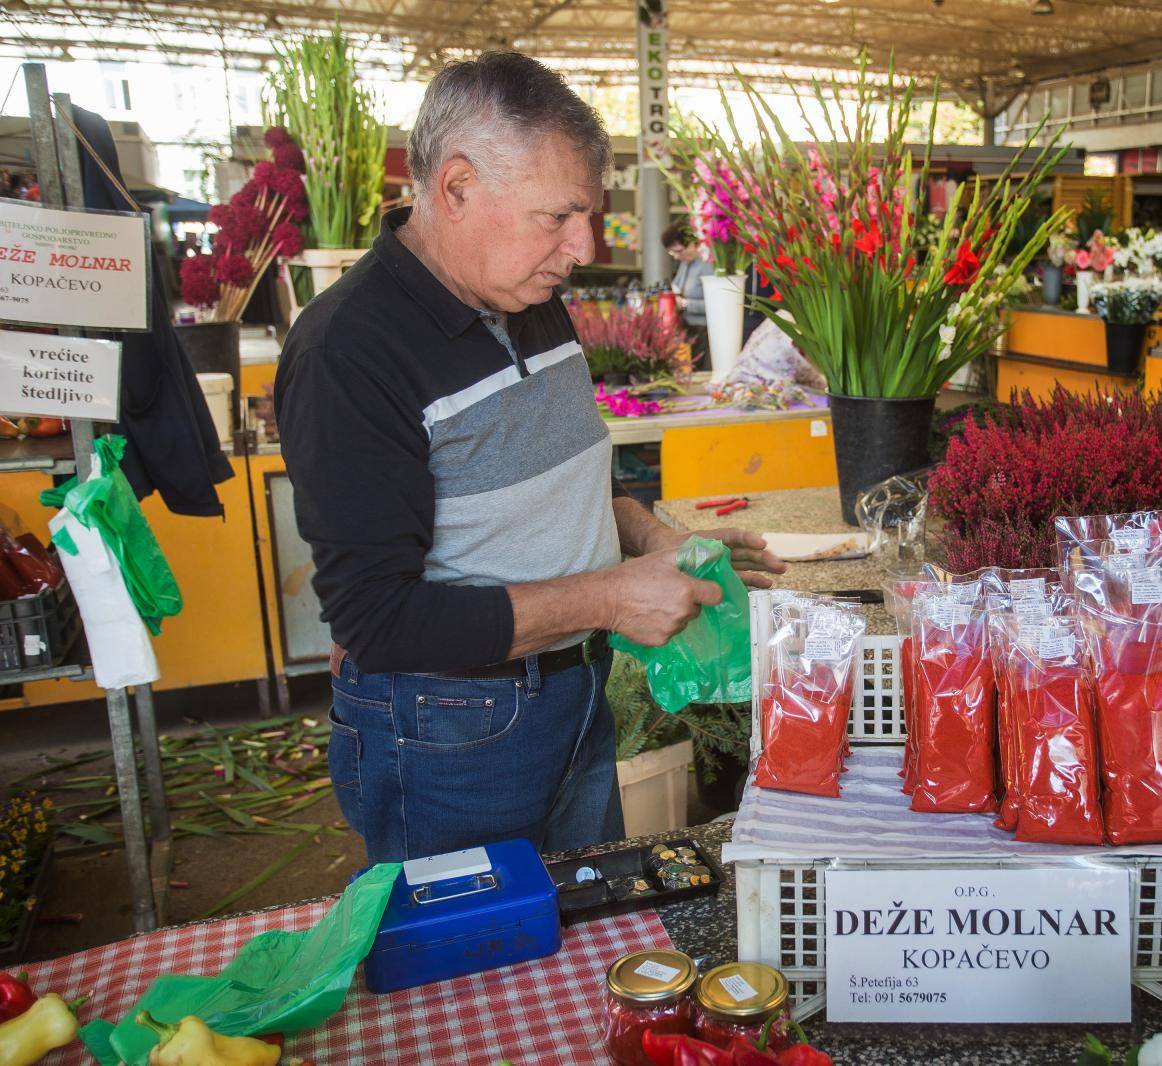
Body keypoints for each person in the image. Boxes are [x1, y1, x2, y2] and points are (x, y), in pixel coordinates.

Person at [276, 52, 785, 864]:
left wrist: (648, 539)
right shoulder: (348, 351)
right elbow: (378, 621)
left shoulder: (528, 299)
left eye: (588, 214)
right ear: (455, 189)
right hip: (450, 730)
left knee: (578, 936)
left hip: (571, 695)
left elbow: (559, 479)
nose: (583, 245)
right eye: (559, 216)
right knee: (473, 965)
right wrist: (610, 599)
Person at [663, 223, 711, 359]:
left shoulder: (708, 264)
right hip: (689, 331)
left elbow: (717, 305)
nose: (676, 257)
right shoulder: (686, 263)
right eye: (672, 253)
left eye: (678, 251)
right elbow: (675, 287)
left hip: (704, 333)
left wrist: (684, 304)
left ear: (692, 243)